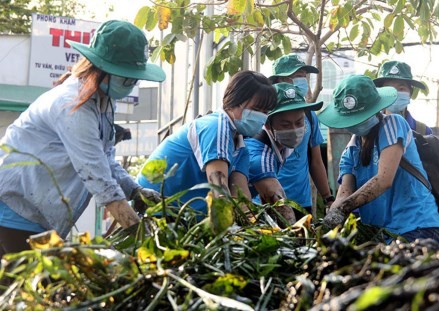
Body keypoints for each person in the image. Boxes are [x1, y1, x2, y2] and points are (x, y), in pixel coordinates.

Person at [0, 20, 164, 257]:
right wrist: (142, 236)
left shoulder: (104, 102)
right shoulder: (73, 106)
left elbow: (105, 161)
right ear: (102, 69)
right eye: (127, 78)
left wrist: (135, 191)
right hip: (15, 210)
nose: (132, 84)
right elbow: (97, 177)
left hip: (37, 218)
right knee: (31, 288)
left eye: (134, 79)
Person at [318, 75, 439, 243]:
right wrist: (329, 219)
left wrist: (343, 207)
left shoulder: (393, 124)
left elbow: (384, 180)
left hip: (416, 226)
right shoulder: (351, 150)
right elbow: (344, 193)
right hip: (381, 234)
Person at [136, 70, 277, 215]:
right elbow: (219, 190)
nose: (261, 116)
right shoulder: (216, 127)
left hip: (182, 219)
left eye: (265, 112)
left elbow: (241, 198)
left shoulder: (241, 148)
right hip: (153, 212)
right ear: (235, 101)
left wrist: (252, 223)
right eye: (256, 109)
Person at [245, 83, 323, 225]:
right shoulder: (260, 155)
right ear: (268, 124)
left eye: (299, 122)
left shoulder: (283, 147)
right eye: (285, 125)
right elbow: (282, 208)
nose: (294, 130)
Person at [269, 54, 335, 214]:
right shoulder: (264, 115)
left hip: (301, 202)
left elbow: (316, 161)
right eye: (296, 76)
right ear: (279, 80)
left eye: (303, 76)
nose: (302, 81)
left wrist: (328, 198)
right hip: (268, 200)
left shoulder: (309, 115)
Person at [373, 60, 432, 135]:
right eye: (389, 89)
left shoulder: (423, 131)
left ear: (410, 92)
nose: (395, 94)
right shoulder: (370, 129)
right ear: (380, 93)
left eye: (401, 89)